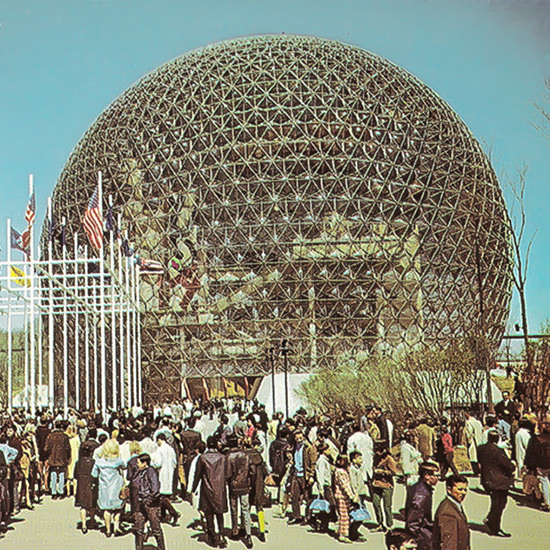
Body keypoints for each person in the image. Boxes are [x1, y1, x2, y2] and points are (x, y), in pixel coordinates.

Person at [192, 435, 228, 548]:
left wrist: (193, 488)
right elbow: (227, 473)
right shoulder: (223, 457)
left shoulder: (202, 458)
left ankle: (213, 537)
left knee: (209, 514)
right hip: (219, 488)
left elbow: (197, 475)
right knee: (219, 513)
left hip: (206, 488)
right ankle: (221, 534)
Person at [477, 430, 514, 537]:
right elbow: (507, 465)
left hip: (487, 479)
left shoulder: (481, 449)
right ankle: (494, 526)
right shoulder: (498, 451)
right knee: (499, 504)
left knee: (496, 503)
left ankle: (492, 521)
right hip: (499, 481)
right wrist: (512, 466)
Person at [91, 439, 125, 537]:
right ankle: (116, 525)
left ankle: (108, 529)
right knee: (118, 508)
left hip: (104, 487)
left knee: (106, 509)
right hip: (116, 486)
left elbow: (94, 474)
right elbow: (124, 466)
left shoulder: (99, 461)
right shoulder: (118, 460)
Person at [133, 452, 166, 550]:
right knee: (139, 527)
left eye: (139, 462)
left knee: (155, 528)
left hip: (150, 504)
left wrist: (149, 500)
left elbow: (155, 488)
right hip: (141, 502)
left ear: (145, 463)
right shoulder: (140, 472)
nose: (137, 464)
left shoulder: (151, 471)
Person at [226, 434, 253, 548]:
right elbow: (251, 470)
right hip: (244, 484)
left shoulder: (229, 456)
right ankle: (247, 532)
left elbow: (228, 473)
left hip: (234, 485)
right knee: (245, 509)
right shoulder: (245, 454)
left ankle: (235, 530)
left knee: (234, 508)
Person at [405, 462, 439, 550]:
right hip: (423, 539)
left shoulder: (418, 488)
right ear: (427, 476)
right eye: (436, 475)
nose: (438, 478)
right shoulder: (422, 495)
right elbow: (413, 524)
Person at [432, 474, 470, 550]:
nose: (463, 493)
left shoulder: (454, 505)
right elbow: (448, 544)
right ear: (449, 489)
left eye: (465, 490)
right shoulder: (447, 513)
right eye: (460, 489)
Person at [288, 429, 316, 525]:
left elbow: (313, 463)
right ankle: (297, 516)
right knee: (294, 496)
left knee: (308, 498)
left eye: (300, 436)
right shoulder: (294, 447)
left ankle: (308, 517)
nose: (298, 439)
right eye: (297, 437)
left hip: (305, 476)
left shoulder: (309, 448)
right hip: (296, 474)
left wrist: (311, 475)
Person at [153, 433, 180, 524]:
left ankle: (173, 512)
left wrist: (153, 464)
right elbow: (174, 462)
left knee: (161, 497)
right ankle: (163, 515)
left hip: (162, 474)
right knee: (165, 496)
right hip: (170, 473)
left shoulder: (159, 450)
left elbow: (158, 463)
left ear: (159, 440)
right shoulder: (171, 449)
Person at [333, 454, 360, 543]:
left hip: (344, 496)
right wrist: (352, 496)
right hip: (341, 496)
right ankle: (342, 535)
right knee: (344, 516)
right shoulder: (340, 471)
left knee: (346, 515)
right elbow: (345, 485)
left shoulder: (343, 470)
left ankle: (344, 532)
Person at [524, 419, 550, 512]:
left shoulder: (536, 438)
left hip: (542, 464)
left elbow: (530, 452)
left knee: (544, 481)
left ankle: (548, 503)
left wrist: (528, 464)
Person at [371, 445, 399, 532]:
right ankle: (380, 523)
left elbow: (394, 472)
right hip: (376, 484)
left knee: (387, 506)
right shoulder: (375, 457)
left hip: (387, 485)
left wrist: (382, 472)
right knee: (376, 504)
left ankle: (389, 525)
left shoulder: (389, 459)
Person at [74, 439, 98, 534]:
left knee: (83, 506)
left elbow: (75, 475)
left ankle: (84, 525)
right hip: (91, 484)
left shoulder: (78, 463)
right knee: (92, 505)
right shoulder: (93, 462)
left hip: (81, 485)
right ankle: (91, 521)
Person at [44, 421, 71, 499]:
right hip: (62, 458)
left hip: (53, 458)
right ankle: (61, 491)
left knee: (53, 475)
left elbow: (46, 448)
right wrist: (68, 457)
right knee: (62, 475)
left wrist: (48, 455)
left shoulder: (50, 436)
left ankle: (54, 492)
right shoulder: (64, 436)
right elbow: (68, 448)